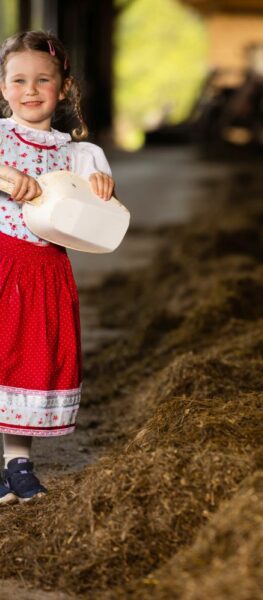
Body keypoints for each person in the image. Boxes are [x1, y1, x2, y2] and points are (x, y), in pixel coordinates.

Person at [0, 31, 114, 503]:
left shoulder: (79, 153)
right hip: (2, 258)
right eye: (19, 80)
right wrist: (11, 177)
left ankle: (16, 465)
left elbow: (96, 200)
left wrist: (100, 183)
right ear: (3, 87)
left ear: (64, 87)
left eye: (43, 80)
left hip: (42, 270)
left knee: (25, 360)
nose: (31, 90)